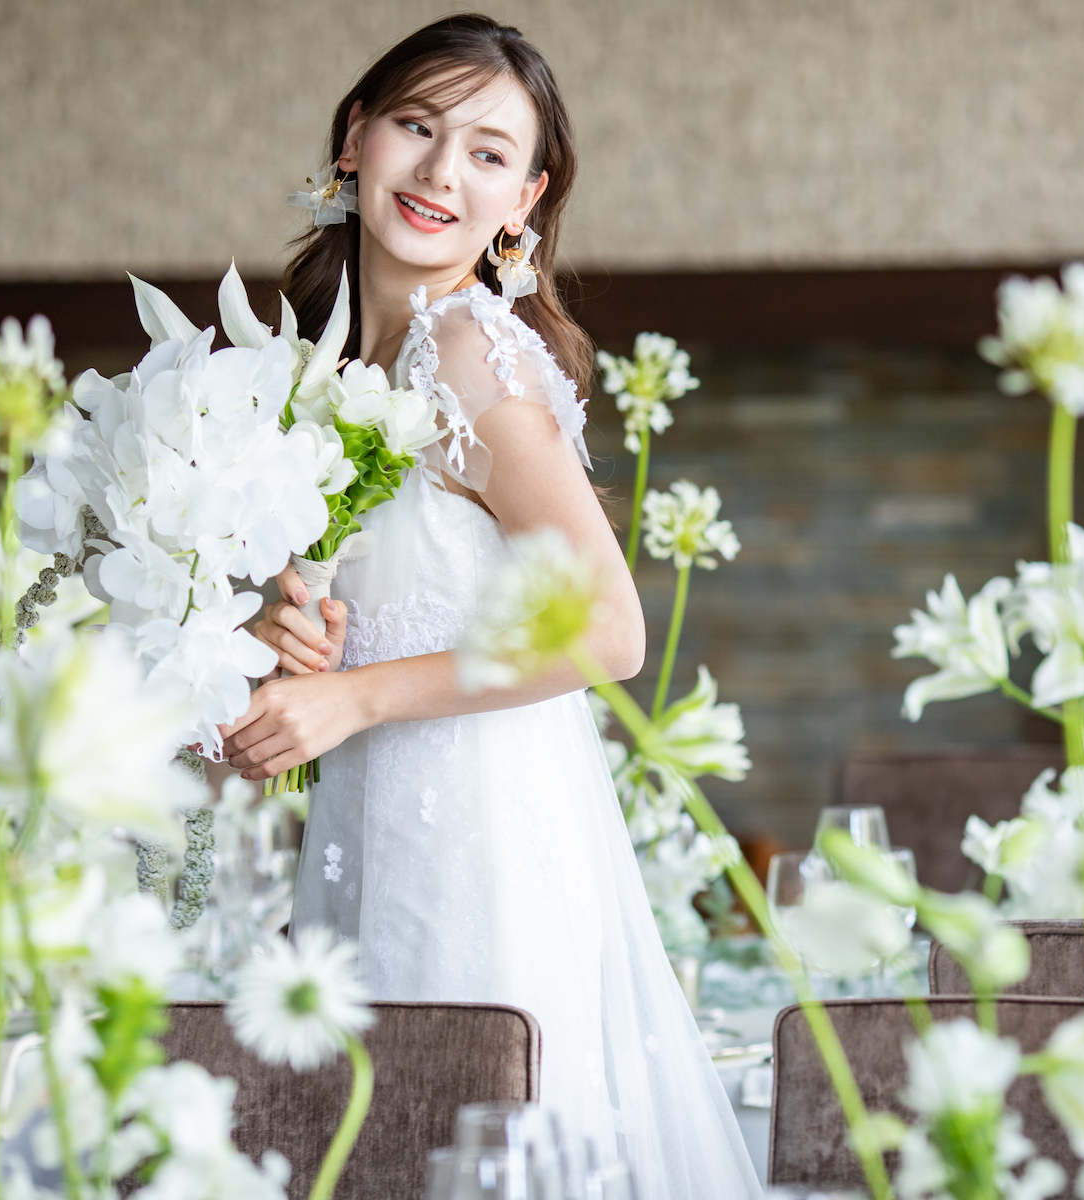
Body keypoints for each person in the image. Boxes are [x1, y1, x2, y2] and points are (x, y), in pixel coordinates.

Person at [218, 15, 762, 1198]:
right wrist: (285, 642)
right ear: (355, 136)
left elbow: (608, 630)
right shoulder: (325, 367)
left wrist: (358, 698)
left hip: (481, 850)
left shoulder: (470, 355)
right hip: (364, 835)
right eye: (416, 126)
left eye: (487, 152)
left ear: (525, 198)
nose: (440, 172)